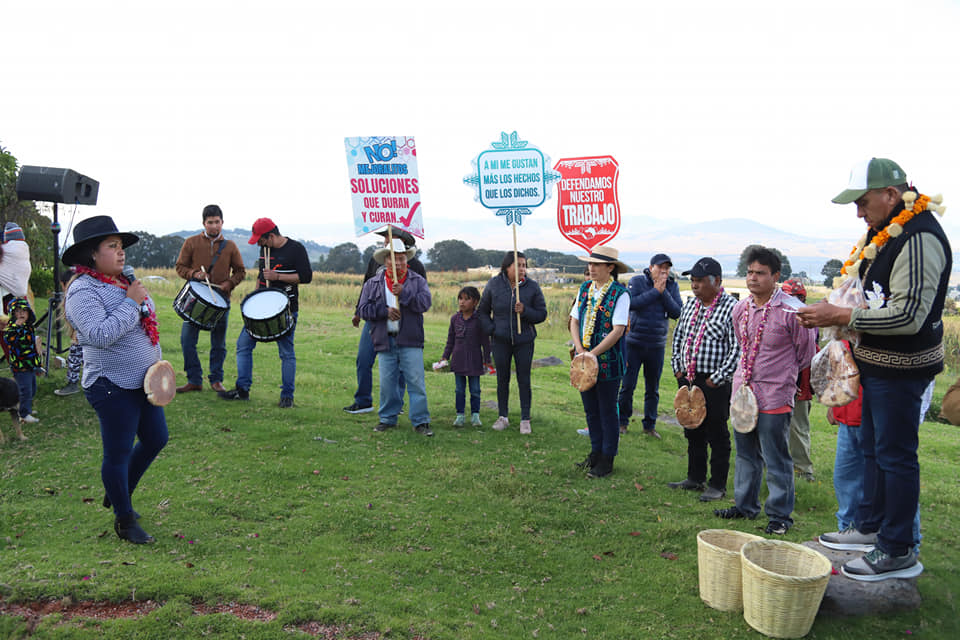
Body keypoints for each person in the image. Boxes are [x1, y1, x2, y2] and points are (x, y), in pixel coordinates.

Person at [799, 158, 950, 581]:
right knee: (872, 450)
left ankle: (898, 547)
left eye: (863, 203)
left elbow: (910, 317)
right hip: (877, 365)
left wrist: (843, 317)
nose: (859, 213)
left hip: (904, 369)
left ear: (891, 194)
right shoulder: (886, 232)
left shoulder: (919, 238)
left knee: (896, 457)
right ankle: (870, 529)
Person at [63, 215, 168, 544]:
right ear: (92, 254)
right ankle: (124, 520)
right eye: (112, 247)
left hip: (143, 381)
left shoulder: (125, 281)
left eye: (121, 247)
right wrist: (132, 304)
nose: (121, 253)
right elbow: (97, 335)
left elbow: (146, 317)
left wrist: (136, 302)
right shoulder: (82, 291)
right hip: (110, 383)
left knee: (156, 438)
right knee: (118, 453)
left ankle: (118, 490)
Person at [715, 247, 816, 535]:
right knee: (745, 453)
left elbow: (806, 353)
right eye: (749, 272)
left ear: (776, 276)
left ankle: (780, 516)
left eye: (760, 273)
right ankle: (745, 506)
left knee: (776, 455)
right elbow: (742, 344)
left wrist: (782, 374)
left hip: (775, 393)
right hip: (743, 391)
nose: (753, 278)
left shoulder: (792, 311)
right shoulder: (740, 309)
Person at [219, 218, 313, 407]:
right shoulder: (264, 250)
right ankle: (242, 390)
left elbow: (306, 277)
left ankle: (287, 396)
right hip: (261, 308)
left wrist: (277, 276)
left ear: (271, 236)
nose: (259, 244)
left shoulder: (296, 249)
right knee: (243, 345)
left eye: (260, 240)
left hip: (285, 309)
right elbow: (261, 276)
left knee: (286, 352)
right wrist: (254, 296)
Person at [667, 257, 739, 501]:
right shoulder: (689, 305)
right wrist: (677, 367)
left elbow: (737, 348)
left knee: (716, 432)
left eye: (700, 281)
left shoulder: (731, 308)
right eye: (692, 281)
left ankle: (717, 485)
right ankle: (694, 478)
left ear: (717, 281)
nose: (695, 285)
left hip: (714, 381)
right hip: (687, 377)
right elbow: (678, 337)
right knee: (691, 428)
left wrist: (718, 378)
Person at [344, 227, 426, 414]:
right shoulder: (376, 262)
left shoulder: (417, 267)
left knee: (399, 365)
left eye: (391, 237)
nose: (387, 241)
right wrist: (359, 311)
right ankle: (363, 400)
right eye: (386, 239)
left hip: (403, 325)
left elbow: (423, 298)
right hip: (375, 320)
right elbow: (367, 286)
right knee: (364, 359)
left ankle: (396, 404)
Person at [358, 238, 433, 436]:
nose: (398, 262)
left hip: (410, 338)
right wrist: (384, 311)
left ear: (406, 259)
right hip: (384, 338)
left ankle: (421, 421)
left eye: (401, 258)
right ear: (385, 261)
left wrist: (405, 294)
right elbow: (363, 309)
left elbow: (425, 303)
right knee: (387, 383)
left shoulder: (417, 281)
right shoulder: (373, 283)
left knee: (416, 381)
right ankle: (387, 419)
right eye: (393, 259)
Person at [570, 246, 631, 478]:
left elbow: (618, 330)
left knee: (607, 409)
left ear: (610, 268)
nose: (591, 268)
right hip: (584, 359)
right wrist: (579, 348)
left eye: (596, 264)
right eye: (590, 264)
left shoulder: (620, 294)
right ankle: (595, 452)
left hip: (609, 362)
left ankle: (608, 457)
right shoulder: (585, 288)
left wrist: (592, 353)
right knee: (590, 409)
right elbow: (574, 320)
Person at [174, 204, 246, 393]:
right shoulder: (191, 242)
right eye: (210, 222)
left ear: (222, 222)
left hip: (221, 301)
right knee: (187, 340)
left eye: (217, 222)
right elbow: (180, 267)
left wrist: (229, 284)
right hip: (195, 300)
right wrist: (194, 273)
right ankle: (194, 379)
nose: (214, 226)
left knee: (219, 344)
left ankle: (216, 380)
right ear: (204, 223)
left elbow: (240, 271)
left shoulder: (230, 246)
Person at [477, 251, 548, 434]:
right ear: (507, 267)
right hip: (500, 340)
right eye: (518, 265)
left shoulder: (532, 287)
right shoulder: (494, 284)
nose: (523, 268)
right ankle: (503, 416)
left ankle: (525, 419)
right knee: (502, 378)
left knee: (524, 379)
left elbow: (541, 314)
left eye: (525, 265)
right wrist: (492, 329)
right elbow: (482, 311)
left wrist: (525, 311)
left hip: (524, 340)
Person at [618, 253, 682, 438]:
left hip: (656, 344)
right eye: (660, 267)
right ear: (651, 267)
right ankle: (622, 421)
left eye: (667, 268)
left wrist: (663, 292)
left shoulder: (672, 285)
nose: (664, 271)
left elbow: (676, 312)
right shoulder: (637, 281)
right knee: (627, 385)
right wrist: (655, 291)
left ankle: (649, 425)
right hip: (634, 343)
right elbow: (632, 303)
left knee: (652, 388)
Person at [438, 286, 490, 427]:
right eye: (460, 298)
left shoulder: (479, 320)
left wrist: (487, 361)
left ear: (475, 302)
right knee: (459, 390)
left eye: (467, 299)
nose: (462, 302)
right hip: (458, 361)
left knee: (475, 390)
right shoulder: (455, 319)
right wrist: (444, 357)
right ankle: (460, 415)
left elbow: (485, 342)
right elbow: (450, 341)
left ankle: (475, 416)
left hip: (475, 361)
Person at [780, 278, 816, 482]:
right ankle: (776, 463)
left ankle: (803, 469)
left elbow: (807, 356)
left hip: (801, 383)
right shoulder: (776, 315)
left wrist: (799, 385)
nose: (794, 302)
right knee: (774, 426)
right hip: (779, 382)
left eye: (798, 298)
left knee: (798, 427)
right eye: (790, 297)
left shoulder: (808, 320)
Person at [3, 297, 42, 423]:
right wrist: (16, 326)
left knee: (32, 388)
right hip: (20, 366)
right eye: (18, 311)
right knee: (25, 390)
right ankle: (24, 414)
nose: (21, 314)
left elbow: (32, 346)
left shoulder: (29, 327)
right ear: (13, 314)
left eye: (24, 311)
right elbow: (8, 339)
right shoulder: (11, 328)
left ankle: (26, 407)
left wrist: (37, 363)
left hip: (30, 364)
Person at [54, 267, 84, 396]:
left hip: (83, 336)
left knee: (75, 357)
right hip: (84, 335)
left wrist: (76, 336)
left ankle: (73, 384)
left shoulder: (73, 296)